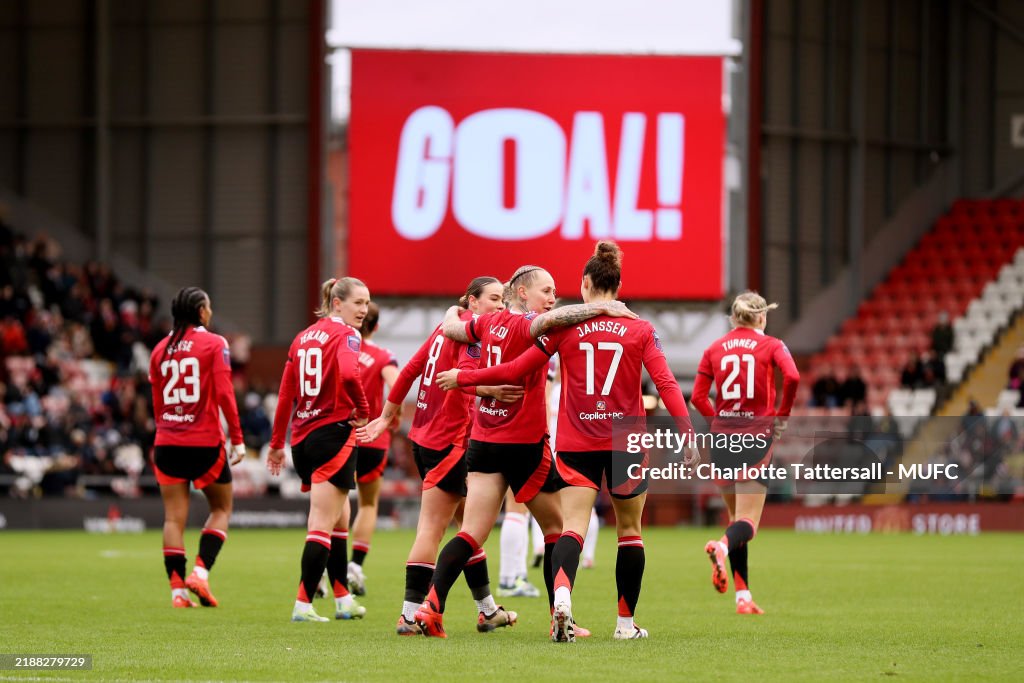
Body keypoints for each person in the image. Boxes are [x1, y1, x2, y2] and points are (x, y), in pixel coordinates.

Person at [437, 242, 694, 641]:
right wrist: (687, 431)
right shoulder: (641, 328)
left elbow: (516, 368)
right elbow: (666, 383)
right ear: (619, 285)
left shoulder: (564, 329)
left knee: (572, 527)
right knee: (630, 532)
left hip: (577, 438)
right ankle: (625, 625)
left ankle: (562, 600)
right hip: (625, 439)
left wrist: (464, 378)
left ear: (585, 284)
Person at [412, 264, 636, 639]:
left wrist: (453, 311)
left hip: (484, 443)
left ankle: (430, 608)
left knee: (471, 533)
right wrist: (603, 307)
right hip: (525, 447)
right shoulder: (529, 324)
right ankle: (559, 617)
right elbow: (558, 318)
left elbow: (453, 328)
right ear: (521, 293)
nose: (552, 298)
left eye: (554, 292)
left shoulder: (487, 322)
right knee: (557, 529)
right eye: (545, 291)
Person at [357, 276, 521, 636]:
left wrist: (387, 415)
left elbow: (410, 370)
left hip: (424, 438)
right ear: (472, 301)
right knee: (433, 527)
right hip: (450, 442)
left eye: (502, 299)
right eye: (493, 298)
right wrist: (493, 389)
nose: (499, 305)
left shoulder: (444, 327)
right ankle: (409, 616)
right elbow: (465, 375)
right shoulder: (470, 333)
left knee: (469, 529)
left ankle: (487, 611)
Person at [267, 277, 371, 623]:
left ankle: (342, 599)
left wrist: (276, 444)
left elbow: (286, 395)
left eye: (367, 303)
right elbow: (348, 374)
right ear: (337, 303)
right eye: (358, 302)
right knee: (322, 523)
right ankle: (303, 604)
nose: (364, 309)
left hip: (302, 440)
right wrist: (364, 409)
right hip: (333, 434)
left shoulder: (301, 338)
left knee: (340, 518)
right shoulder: (347, 334)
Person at [690, 291, 800, 615]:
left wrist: (717, 422)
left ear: (733, 319)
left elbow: (697, 397)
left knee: (735, 518)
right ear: (762, 317)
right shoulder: (772, 345)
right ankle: (721, 548)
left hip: (721, 440)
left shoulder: (714, 348)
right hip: (754, 437)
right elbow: (793, 376)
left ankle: (743, 597)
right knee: (748, 523)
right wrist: (781, 417)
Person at [149, 287, 245, 608]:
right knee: (221, 509)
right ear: (202, 311)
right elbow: (225, 394)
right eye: (209, 307)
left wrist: (166, 429)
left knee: (173, 519)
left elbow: (157, 403)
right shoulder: (215, 343)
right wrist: (237, 438)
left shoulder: (159, 350)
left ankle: (177, 593)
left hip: (167, 442)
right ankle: (200, 574)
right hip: (203, 441)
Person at [345, 301, 401, 597]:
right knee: (368, 504)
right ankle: (355, 566)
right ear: (376, 326)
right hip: (372, 439)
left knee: (331, 504)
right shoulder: (383, 356)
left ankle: (325, 567)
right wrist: (392, 415)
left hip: (340, 435)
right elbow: (397, 385)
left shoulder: (340, 348)